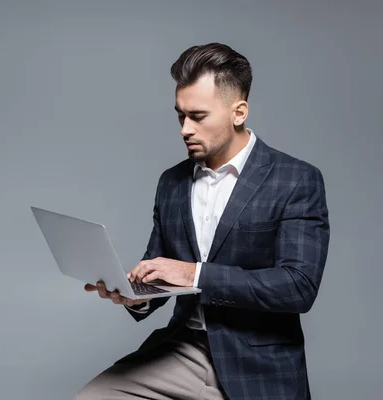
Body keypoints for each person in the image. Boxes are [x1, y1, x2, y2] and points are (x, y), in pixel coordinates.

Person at [75, 43, 330, 400]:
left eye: (198, 116)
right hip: (184, 349)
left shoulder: (295, 180)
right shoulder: (172, 182)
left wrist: (194, 273)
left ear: (238, 112)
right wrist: (135, 295)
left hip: (257, 362)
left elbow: (298, 286)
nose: (185, 129)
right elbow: (161, 269)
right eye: (180, 115)